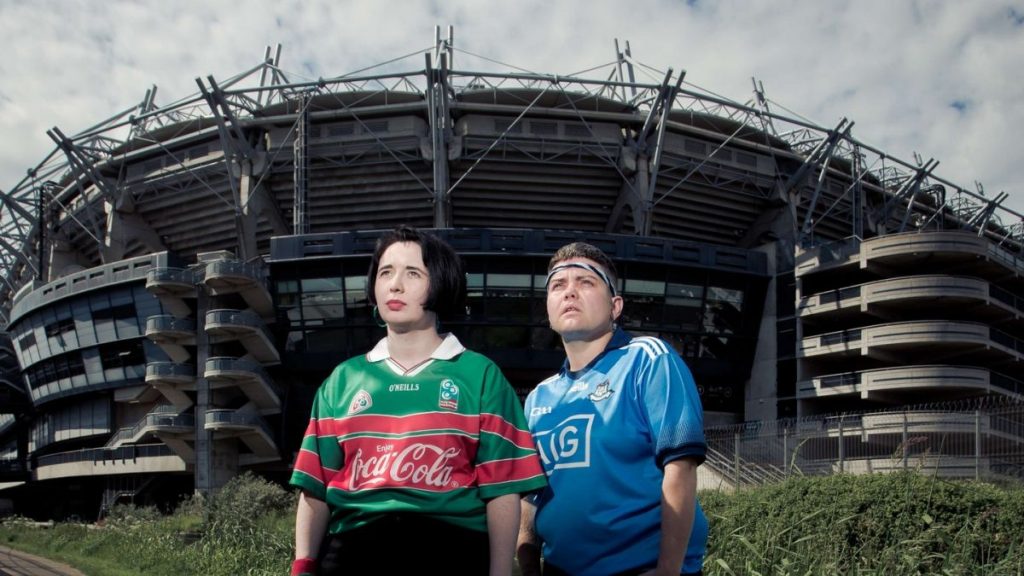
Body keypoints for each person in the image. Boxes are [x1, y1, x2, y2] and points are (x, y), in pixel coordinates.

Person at [290, 226, 547, 576]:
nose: (395, 284)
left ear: (440, 282)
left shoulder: (480, 375)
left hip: (451, 551)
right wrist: (303, 564)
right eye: (385, 272)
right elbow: (316, 487)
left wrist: (500, 571)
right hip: (351, 552)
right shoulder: (342, 381)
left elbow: (501, 490)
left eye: (413, 273)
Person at [517, 242, 708, 576]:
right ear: (547, 309)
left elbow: (681, 469)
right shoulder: (538, 398)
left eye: (586, 282)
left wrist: (668, 571)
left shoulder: (649, 359)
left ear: (615, 306)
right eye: (558, 285)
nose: (570, 292)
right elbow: (530, 499)